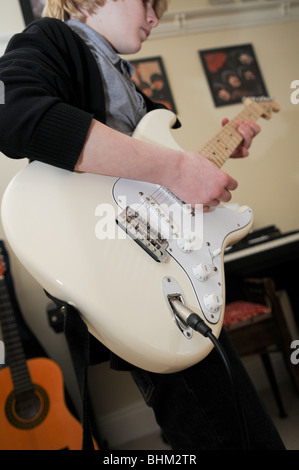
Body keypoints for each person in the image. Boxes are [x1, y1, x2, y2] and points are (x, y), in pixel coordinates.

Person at [0, 0, 285, 450]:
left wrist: (217, 152)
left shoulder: (125, 82)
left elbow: (152, 186)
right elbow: (16, 114)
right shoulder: (50, 38)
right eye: (148, 2)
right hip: (133, 277)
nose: (156, 17)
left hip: (169, 268)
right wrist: (175, 169)